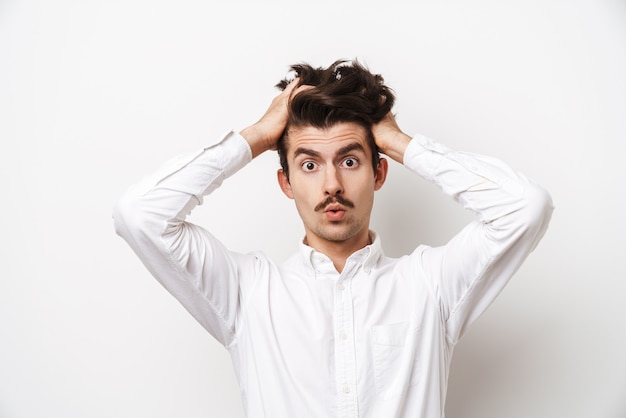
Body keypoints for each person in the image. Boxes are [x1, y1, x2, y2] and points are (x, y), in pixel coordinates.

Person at [113, 59, 553, 418]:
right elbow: (140, 214)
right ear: (285, 183)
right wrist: (257, 136)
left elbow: (525, 207)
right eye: (308, 165)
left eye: (349, 161)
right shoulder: (247, 292)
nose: (331, 186)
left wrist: (399, 142)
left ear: (379, 172)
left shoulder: (430, 285)